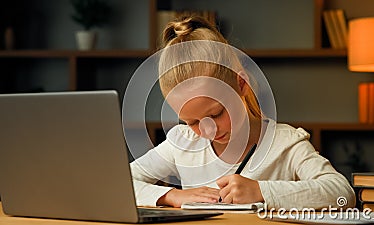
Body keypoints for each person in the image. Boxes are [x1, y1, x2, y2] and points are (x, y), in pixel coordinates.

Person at [129, 15, 356, 209]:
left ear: (241, 85)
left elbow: (341, 193)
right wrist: (172, 196)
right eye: (192, 122)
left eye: (216, 114)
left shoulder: (285, 144)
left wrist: (262, 192)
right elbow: (117, 182)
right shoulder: (183, 143)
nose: (207, 130)